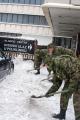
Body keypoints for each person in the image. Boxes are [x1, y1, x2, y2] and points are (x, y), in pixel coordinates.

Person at [32, 46, 80, 120]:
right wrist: (49, 92)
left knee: (77, 100)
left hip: (77, 75)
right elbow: (56, 84)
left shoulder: (62, 62)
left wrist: (72, 86)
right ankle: (62, 114)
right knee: (64, 94)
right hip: (71, 78)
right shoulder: (55, 69)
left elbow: (76, 73)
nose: (47, 67)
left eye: (47, 64)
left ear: (51, 62)